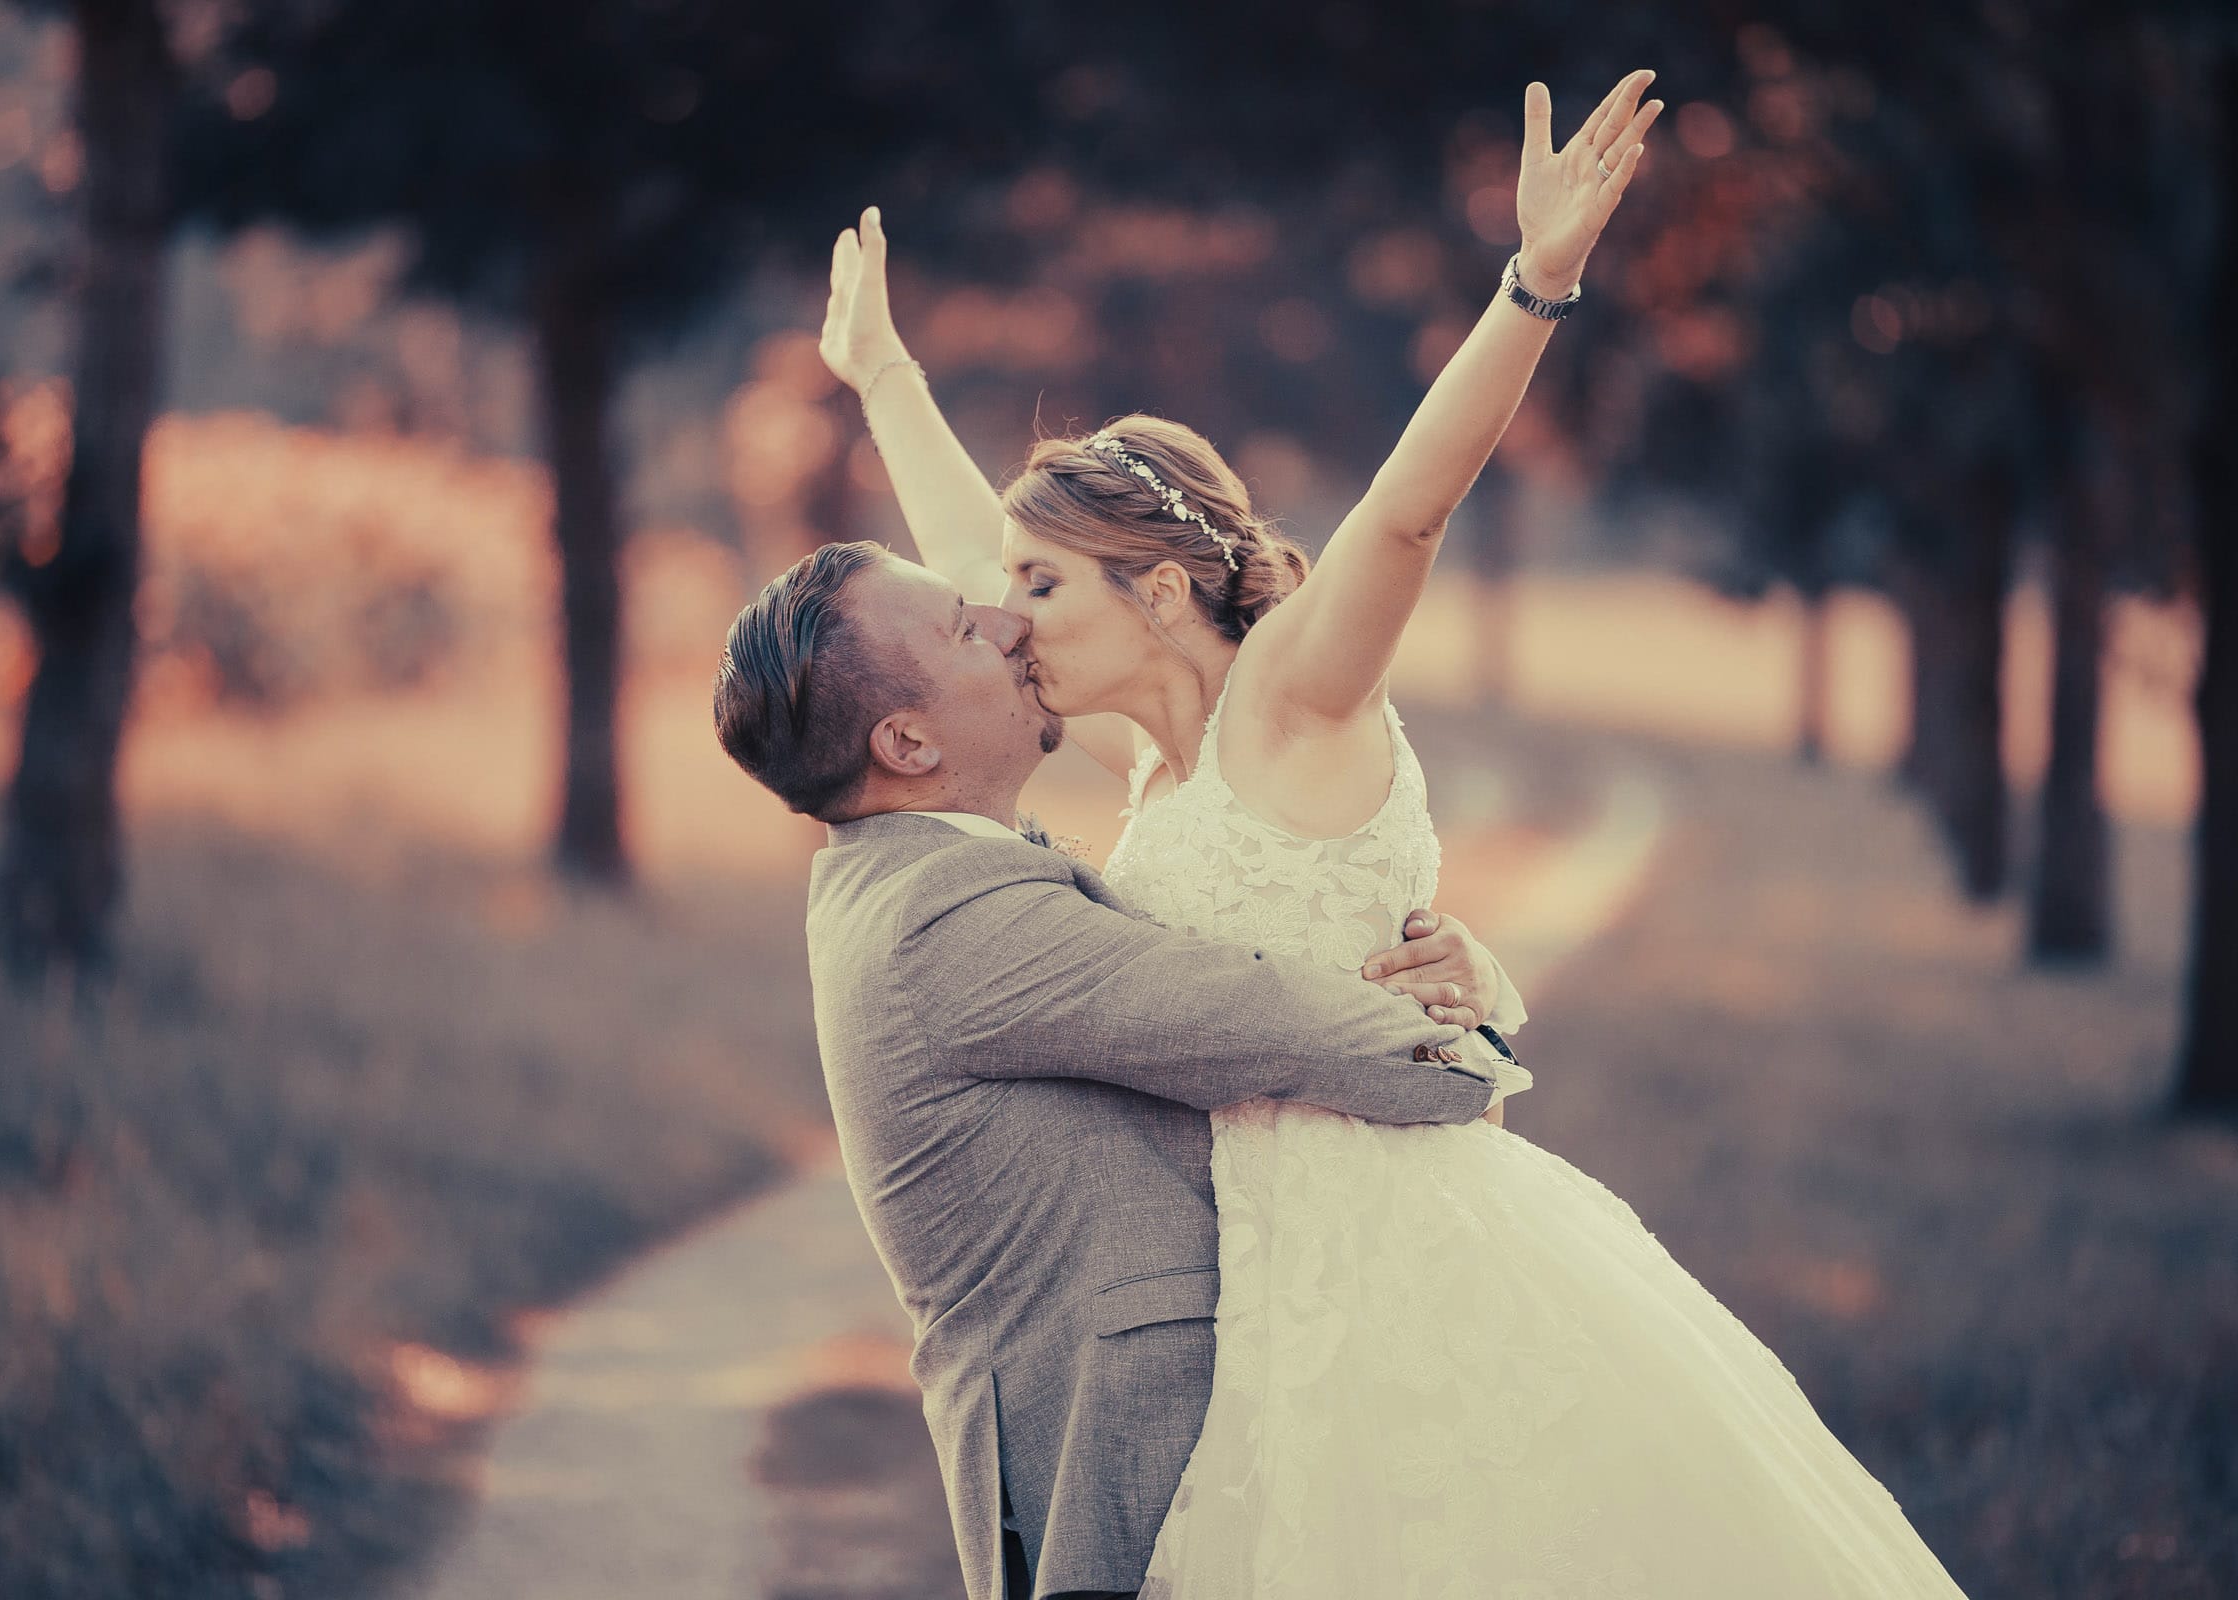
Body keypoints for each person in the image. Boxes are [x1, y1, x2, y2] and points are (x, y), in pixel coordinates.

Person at [815, 67, 1973, 1599]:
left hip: (1406, 1252)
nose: (1002, 620)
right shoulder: (1155, 754)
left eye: (1043, 589)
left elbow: (1407, 514)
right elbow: (968, 550)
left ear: (1158, 591)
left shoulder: (1292, 692)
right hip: (1271, 1286)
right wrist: (883, 373)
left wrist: (1535, 280)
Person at [717, 542, 1519, 1600]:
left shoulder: (924, 874)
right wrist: (1468, 1046)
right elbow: (1249, 1013)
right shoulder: (942, 919)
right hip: (1111, 1471)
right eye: (965, 627)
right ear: (905, 741)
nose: (1010, 624)